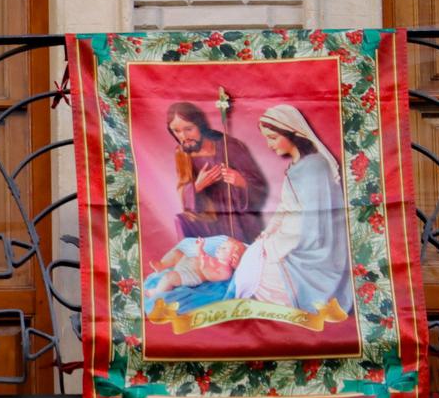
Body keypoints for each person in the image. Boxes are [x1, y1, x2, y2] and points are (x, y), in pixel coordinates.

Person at [228, 104, 353, 318]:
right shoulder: (298, 166)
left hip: (314, 252)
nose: (269, 144)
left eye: (273, 137)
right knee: (254, 257)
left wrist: (276, 244)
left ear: (292, 133)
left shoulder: (314, 167)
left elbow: (313, 223)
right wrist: (269, 233)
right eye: (267, 138)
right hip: (292, 237)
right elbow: (285, 207)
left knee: (257, 269)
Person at [165, 101, 268, 242]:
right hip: (208, 216)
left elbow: (260, 187)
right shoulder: (182, 152)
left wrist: (241, 182)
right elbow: (183, 192)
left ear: (200, 126)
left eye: (189, 129)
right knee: (181, 221)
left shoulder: (229, 146)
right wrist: (197, 186)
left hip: (236, 215)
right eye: (176, 131)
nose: (183, 136)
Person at [143, 234, 247, 313]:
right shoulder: (217, 259)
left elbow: (210, 276)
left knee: (169, 278)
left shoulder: (226, 271)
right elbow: (203, 255)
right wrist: (200, 247)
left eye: (224, 248)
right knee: (178, 254)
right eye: (221, 246)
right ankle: (162, 265)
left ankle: (157, 293)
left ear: (233, 258)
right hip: (187, 266)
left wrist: (204, 264)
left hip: (192, 275)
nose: (219, 248)